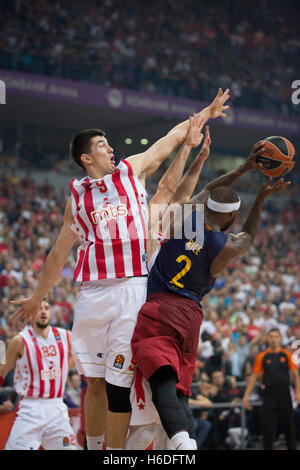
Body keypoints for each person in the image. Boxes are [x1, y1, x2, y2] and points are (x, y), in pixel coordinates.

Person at [9, 89, 230, 450]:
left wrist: (204, 114)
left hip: (132, 287)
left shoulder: (131, 171)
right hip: (92, 293)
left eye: (109, 143)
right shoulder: (76, 198)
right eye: (102, 145)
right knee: (93, 383)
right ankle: (94, 448)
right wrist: (38, 296)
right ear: (86, 157)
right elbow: (57, 252)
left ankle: (116, 453)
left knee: (118, 385)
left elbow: (168, 147)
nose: (110, 148)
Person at [131, 138, 291, 449]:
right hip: (191, 316)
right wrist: (260, 197)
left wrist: (244, 168)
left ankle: (179, 443)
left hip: (159, 307)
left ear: (208, 207)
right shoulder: (225, 246)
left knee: (161, 379)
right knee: (180, 388)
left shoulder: (186, 217)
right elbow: (249, 237)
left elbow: (208, 189)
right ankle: (184, 441)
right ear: (231, 217)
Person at [126, 114, 211, 451]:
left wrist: (199, 160)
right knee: (142, 420)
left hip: (159, 323)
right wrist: (187, 148)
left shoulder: (168, 233)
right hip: (140, 321)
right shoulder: (148, 231)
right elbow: (166, 190)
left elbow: (181, 195)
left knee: (162, 416)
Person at [0, 299, 76, 450]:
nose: (43, 312)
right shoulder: (19, 340)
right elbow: (2, 371)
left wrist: (63, 370)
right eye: (39, 309)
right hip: (30, 407)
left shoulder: (66, 336)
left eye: (46, 308)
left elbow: (79, 352)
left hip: (57, 407)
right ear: (30, 314)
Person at [242, 328, 300, 450]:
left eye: (276, 336)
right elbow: (254, 377)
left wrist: (298, 393)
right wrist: (246, 395)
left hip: (284, 392)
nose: (273, 339)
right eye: (271, 336)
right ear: (267, 339)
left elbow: (295, 375)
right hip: (268, 394)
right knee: (268, 428)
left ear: (280, 338)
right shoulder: (262, 356)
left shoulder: (287, 354)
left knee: (289, 427)